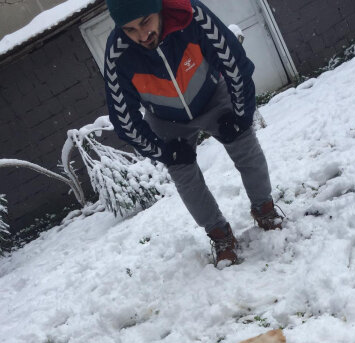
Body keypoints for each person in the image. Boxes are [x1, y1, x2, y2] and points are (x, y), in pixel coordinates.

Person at [104, 0, 283, 266]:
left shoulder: (190, 15)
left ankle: (264, 209)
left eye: (144, 22)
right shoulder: (118, 54)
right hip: (166, 119)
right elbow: (124, 119)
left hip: (212, 95)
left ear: (158, 8)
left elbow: (234, 63)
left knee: (245, 145)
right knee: (184, 174)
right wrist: (163, 152)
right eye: (130, 30)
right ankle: (220, 234)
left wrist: (241, 115)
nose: (142, 36)